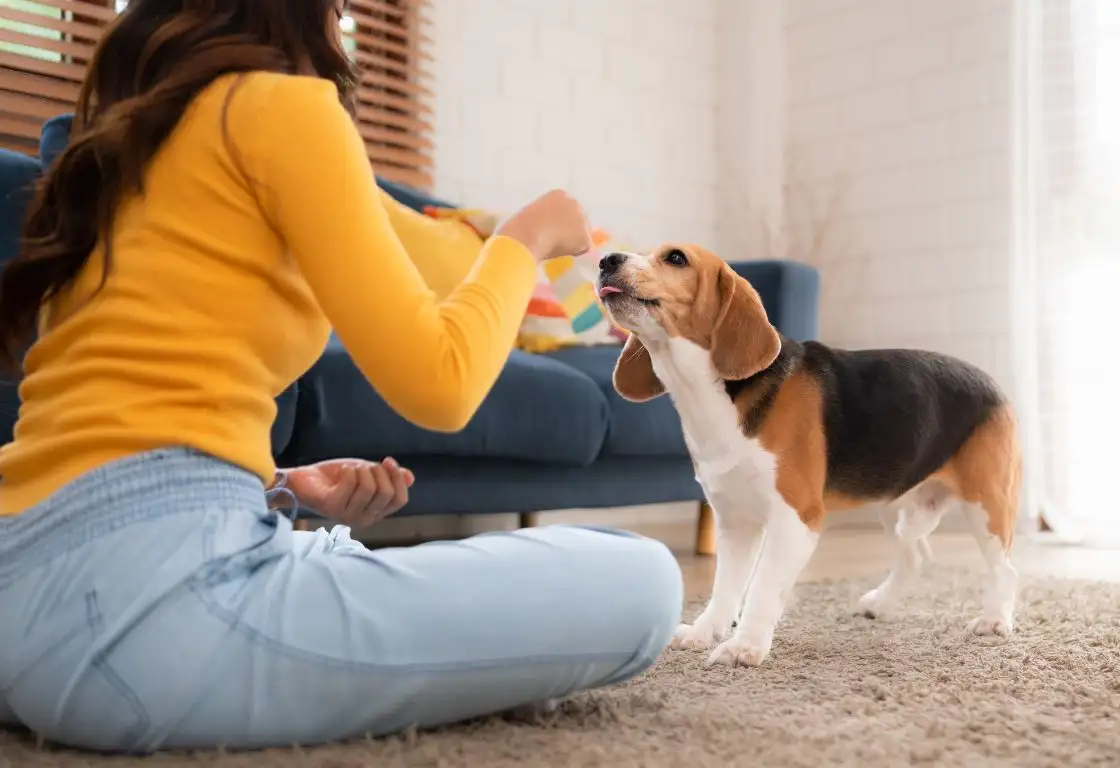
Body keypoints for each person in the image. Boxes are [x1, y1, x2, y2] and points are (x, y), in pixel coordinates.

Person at [0, 0, 681, 754]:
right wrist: (525, 239)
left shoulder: (117, 146)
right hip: (143, 623)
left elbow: (112, 417)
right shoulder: (285, 107)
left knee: (335, 554)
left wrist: (273, 484)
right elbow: (443, 384)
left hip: (18, 583)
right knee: (644, 579)